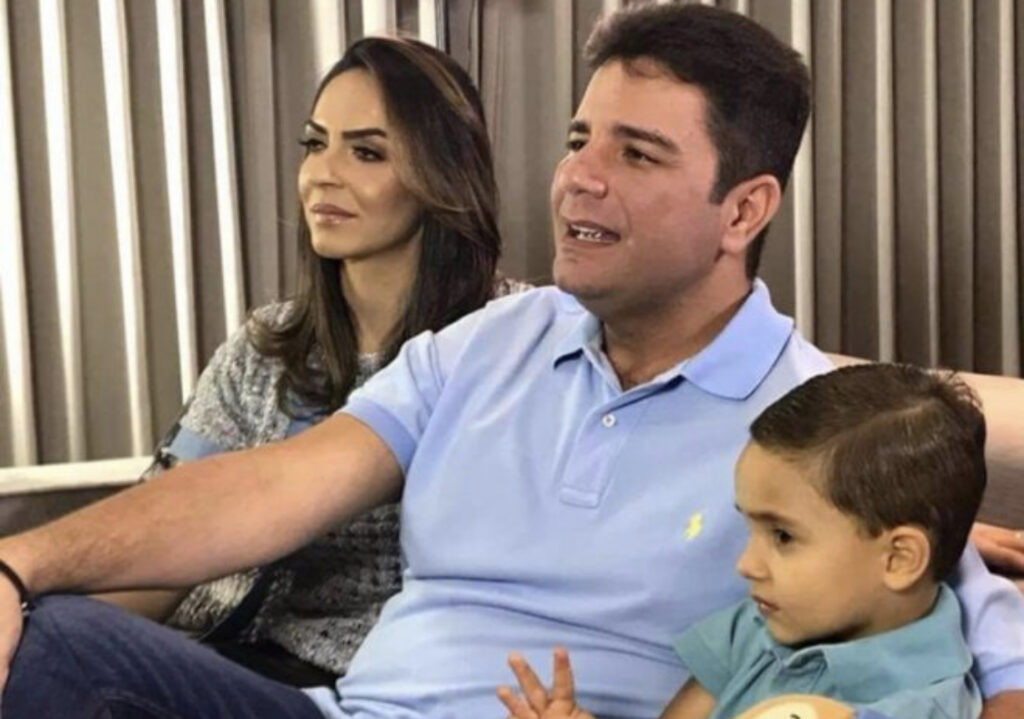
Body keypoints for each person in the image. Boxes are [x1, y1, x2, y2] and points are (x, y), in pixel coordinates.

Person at [0, 5, 1022, 719]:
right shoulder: (485, 341)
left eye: (635, 153)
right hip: (340, 709)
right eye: (579, 139)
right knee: (49, 642)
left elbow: (987, 654)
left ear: (743, 209)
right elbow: (267, 489)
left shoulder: (826, 423)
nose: (576, 178)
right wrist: (20, 566)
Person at [102, 34, 525, 687]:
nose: (323, 173)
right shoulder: (265, 348)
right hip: (230, 657)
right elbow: (164, 536)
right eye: (314, 144)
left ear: (441, 175)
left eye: (366, 152)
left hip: (394, 683)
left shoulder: (515, 340)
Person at [498, 364, 986, 719]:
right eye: (750, 529)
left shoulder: (923, 706)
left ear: (899, 559)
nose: (747, 564)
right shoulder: (756, 625)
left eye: (782, 536)